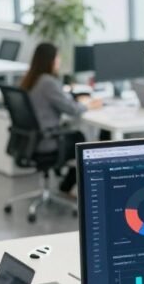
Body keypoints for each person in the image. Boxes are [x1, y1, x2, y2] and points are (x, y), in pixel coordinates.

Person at [20, 42, 100, 193]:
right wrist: (89, 105)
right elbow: (72, 110)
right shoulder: (47, 82)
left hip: (31, 140)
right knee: (86, 139)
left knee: (78, 130)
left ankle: (68, 183)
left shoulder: (32, 79)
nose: (59, 61)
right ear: (50, 60)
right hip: (48, 141)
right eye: (57, 58)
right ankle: (75, 185)